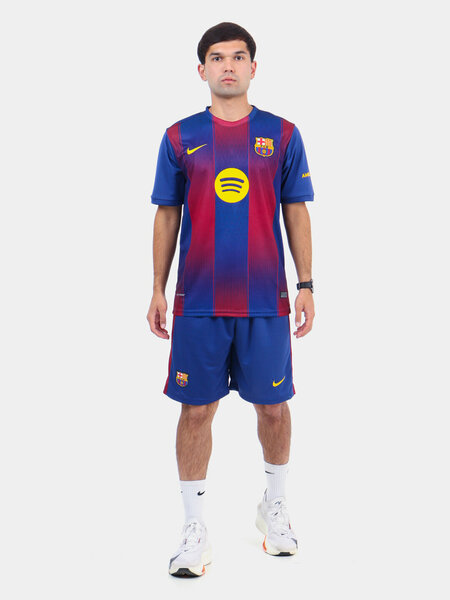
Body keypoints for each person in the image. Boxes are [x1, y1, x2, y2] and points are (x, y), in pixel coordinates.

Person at [147, 22, 315, 577]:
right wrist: (157, 288)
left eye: (238, 57)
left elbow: (296, 209)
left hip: (266, 301)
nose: (228, 66)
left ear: (253, 67)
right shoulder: (179, 137)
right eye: (217, 58)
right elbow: (166, 213)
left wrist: (306, 284)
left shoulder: (282, 134)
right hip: (198, 302)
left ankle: (275, 507)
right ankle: (194, 528)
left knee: (274, 407)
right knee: (196, 411)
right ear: (202, 70)